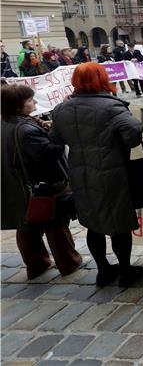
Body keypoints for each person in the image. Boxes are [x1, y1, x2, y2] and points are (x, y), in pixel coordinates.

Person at [49, 63, 143, 287]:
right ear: (102, 79)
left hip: (80, 173)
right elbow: (133, 133)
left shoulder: (62, 108)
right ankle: (125, 270)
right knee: (118, 223)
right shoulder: (111, 107)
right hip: (110, 173)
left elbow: (55, 139)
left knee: (92, 222)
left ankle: (103, 270)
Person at [1, 84, 82, 279]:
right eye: (29, 100)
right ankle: (68, 262)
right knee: (55, 224)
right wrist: (60, 132)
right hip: (42, 185)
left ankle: (36, 265)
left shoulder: (7, 122)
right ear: (17, 106)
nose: (35, 102)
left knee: (27, 226)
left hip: (18, 185)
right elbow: (49, 153)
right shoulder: (26, 130)